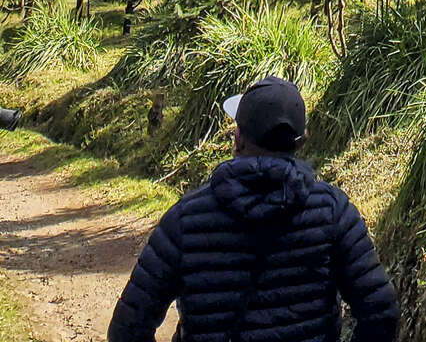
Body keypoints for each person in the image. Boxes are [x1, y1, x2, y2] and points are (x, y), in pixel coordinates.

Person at [107, 75, 399, 342]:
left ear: (238, 140)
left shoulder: (186, 219)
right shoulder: (334, 212)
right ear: (299, 143)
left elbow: (127, 327)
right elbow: (381, 312)